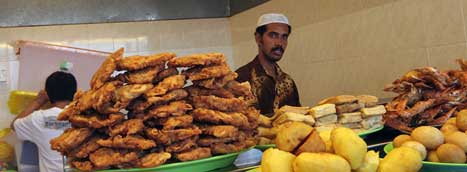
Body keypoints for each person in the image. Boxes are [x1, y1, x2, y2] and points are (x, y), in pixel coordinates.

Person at [10, 71, 77, 172]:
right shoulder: (85, 117)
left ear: (48, 94)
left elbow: (14, 126)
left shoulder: (39, 119)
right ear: (75, 93)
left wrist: (38, 101)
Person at [236, 13, 300, 117]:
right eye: (273, 35)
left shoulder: (288, 82)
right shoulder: (240, 79)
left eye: (284, 37)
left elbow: (299, 119)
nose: (279, 43)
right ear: (258, 38)